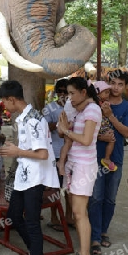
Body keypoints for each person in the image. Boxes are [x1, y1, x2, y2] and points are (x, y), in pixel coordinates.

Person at [0, 80, 59, 255]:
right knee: (14, 215)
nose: (4, 105)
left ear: (12, 99)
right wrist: (14, 151)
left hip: (36, 177)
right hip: (24, 177)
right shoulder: (22, 118)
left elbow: (42, 154)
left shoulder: (35, 120)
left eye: (4, 101)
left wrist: (17, 153)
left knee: (32, 223)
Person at [88, 69, 128, 255]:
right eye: (113, 83)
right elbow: (86, 129)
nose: (115, 88)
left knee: (110, 198)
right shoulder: (95, 104)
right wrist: (100, 135)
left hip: (115, 159)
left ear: (125, 86)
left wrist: (110, 115)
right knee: (96, 197)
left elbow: (126, 133)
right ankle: (95, 238)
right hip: (94, 157)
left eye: (120, 84)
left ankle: (103, 231)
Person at [57, 77, 101, 255]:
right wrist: (65, 129)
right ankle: (81, 253)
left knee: (80, 213)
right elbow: (61, 131)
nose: (70, 97)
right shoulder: (79, 110)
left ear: (84, 92)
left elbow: (85, 139)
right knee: (76, 213)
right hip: (74, 165)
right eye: (68, 94)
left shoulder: (92, 110)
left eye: (73, 93)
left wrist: (66, 130)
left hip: (84, 166)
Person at [44, 78, 74, 230]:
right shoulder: (50, 108)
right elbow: (43, 129)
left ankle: (69, 216)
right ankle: (54, 217)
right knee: (54, 188)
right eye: (59, 91)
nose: (62, 94)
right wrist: (58, 124)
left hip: (72, 154)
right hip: (55, 154)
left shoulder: (75, 108)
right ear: (56, 93)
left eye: (65, 91)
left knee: (69, 189)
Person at [93, 81, 117, 172]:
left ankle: (107, 158)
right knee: (112, 139)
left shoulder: (105, 103)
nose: (108, 94)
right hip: (100, 126)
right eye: (106, 92)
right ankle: (107, 158)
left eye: (108, 92)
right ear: (98, 93)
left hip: (102, 126)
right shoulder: (95, 103)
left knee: (112, 139)